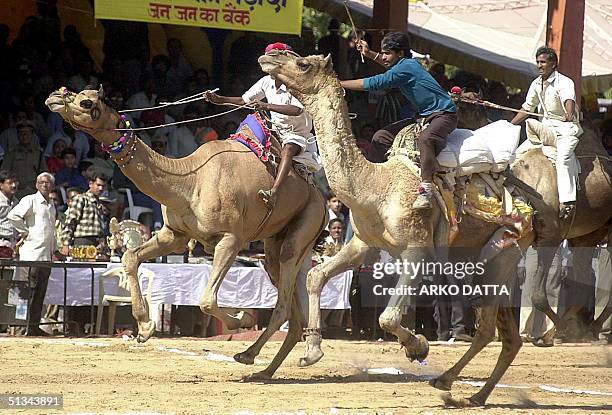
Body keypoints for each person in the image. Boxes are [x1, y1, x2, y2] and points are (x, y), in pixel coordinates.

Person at [340, 32, 457, 209]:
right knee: (380, 137)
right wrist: (370, 53)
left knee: (424, 140)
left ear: (400, 53)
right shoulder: (404, 64)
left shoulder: (407, 67)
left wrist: (339, 84)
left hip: (444, 115)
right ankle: (375, 181)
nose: (384, 57)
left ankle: (426, 189)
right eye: (383, 53)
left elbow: (375, 83)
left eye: (387, 53)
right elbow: (389, 66)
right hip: (422, 117)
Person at [204, 42, 321, 207]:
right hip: (274, 128)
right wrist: (220, 100)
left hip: (296, 134)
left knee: (288, 149)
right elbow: (244, 101)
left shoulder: (297, 84)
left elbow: (297, 110)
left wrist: (266, 105)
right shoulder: (266, 81)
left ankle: (274, 192)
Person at [511, 46, 582, 219]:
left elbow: (569, 100)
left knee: (563, 157)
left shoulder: (565, 82)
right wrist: (509, 124)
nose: (539, 65)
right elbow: (527, 108)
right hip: (546, 129)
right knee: (517, 154)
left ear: (553, 64)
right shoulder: (536, 83)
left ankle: (568, 201)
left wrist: (568, 114)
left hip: (566, 128)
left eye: (543, 62)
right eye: (538, 62)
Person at [7, 173, 57, 336]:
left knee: (39, 293)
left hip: (45, 256)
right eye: (42, 182)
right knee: (24, 293)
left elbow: (52, 231)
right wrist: (25, 232)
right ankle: (20, 328)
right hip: (31, 255)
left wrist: (54, 250)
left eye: (48, 183)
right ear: (36, 185)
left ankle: (33, 326)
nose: (45, 185)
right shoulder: (30, 200)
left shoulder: (51, 205)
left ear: (52, 186)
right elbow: (13, 215)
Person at [60, 174, 108, 254]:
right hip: (83, 240)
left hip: (97, 243)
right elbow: (71, 221)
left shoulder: (98, 203)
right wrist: (66, 243)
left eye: (103, 186)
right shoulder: (81, 199)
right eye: (98, 185)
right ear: (90, 184)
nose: (101, 188)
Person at [0, 170, 19, 255]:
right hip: (1, 242)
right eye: (10, 183)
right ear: (1, 185)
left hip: (14, 244)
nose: (14, 185)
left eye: (15, 182)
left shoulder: (16, 202)